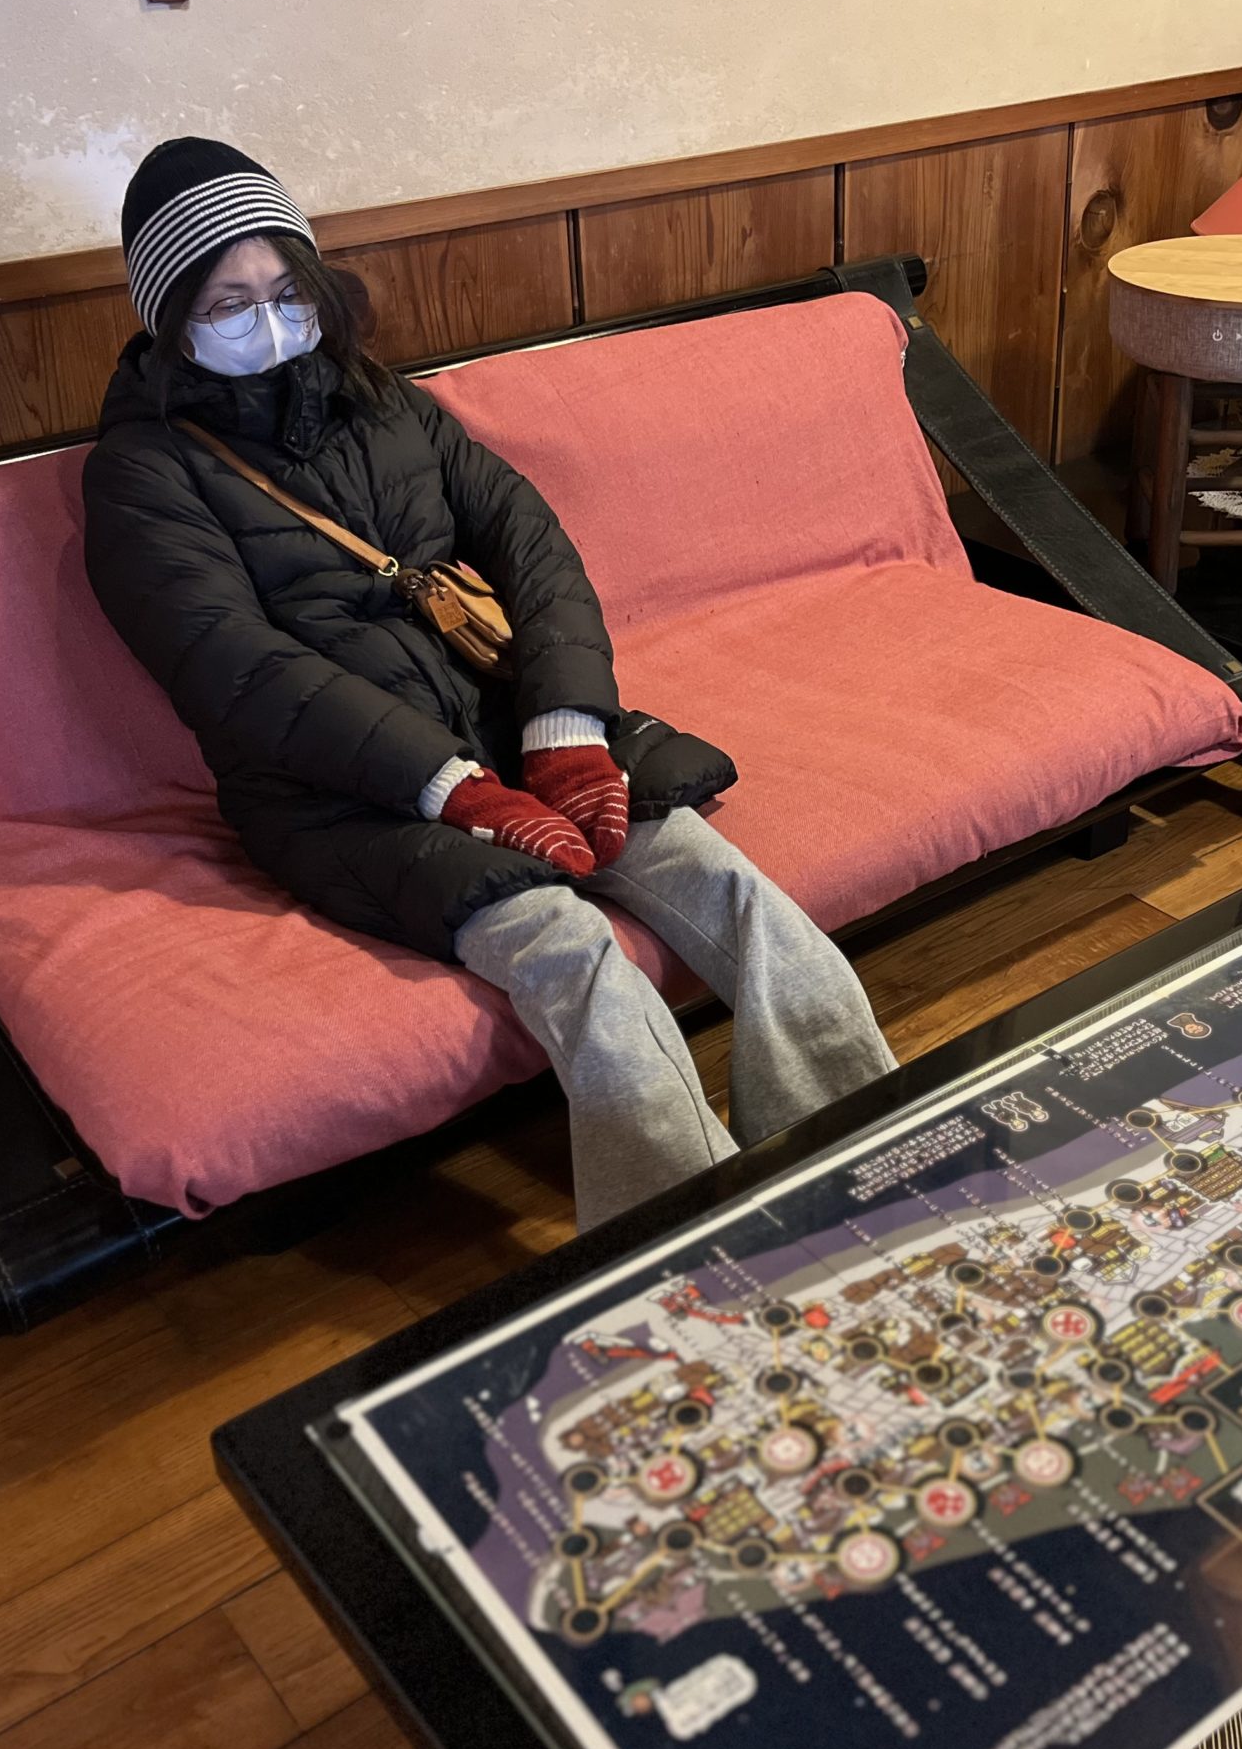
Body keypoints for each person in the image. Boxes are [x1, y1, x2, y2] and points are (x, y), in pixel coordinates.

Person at [82, 138, 896, 1230]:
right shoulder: (139, 475)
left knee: (726, 885)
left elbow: (527, 536)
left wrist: (564, 727)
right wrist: (451, 788)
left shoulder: (380, 399)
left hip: (510, 721)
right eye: (228, 303)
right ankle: (690, 1247)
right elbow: (236, 670)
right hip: (349, 796)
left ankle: (873, 1160)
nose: (267, 321)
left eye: (285, 290)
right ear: (170, 318)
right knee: (573, 953)